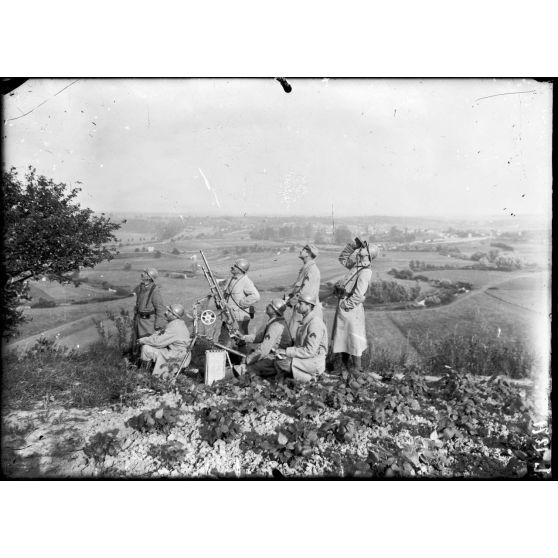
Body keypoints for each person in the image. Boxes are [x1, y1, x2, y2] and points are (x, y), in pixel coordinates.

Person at [331, 239, 379, 373]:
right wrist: (352, 246)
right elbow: (343, 258)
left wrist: (346, 305)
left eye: (365, 248)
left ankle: (357, 368)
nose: (362, 248)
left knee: (353, 338)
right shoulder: (357, 265)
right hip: (345, 305)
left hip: (351, 308)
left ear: (369, 254)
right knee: (343, 337)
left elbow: (358, 294)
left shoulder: (365, 271)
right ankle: (343, 368)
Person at [274, 294, 328, 383]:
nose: (297, 305)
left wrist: (286, 351)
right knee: (278, 359)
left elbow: (310, 351)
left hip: (314, 361)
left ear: (309, 306)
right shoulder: (306, 320)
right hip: (306, 358)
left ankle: (309, 378)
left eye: (300, 303)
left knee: (282, 362)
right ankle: (289, 378)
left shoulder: (314, 324)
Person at [237, 298, 292, 378]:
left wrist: (247, 359)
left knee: (245, 369)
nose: (267, 306)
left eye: (270, 306)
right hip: (273, 356)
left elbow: (264, 350)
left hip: (274, 360)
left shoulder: (275, 326)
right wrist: (243, 337)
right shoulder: (274, 322)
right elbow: (260, 337)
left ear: (274, 311)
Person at [138, 303, 190, 377]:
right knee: (149, 346)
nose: (165, 313)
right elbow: (159, 335)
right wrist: (148, 339)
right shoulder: (177, 324)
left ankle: (144, 374)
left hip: (176, 356)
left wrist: (142, 340)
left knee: (146, 349)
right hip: (177, 353)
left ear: (174, 315)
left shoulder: (175, 327)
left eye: (169, 311)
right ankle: (148, 372)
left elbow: (158, 342)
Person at [218, 258, 260, 344]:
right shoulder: (231, 279)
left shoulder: (246, 281)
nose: (232, 267)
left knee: (239, 342)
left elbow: (256, 296)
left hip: (239, 318)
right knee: (224, 341)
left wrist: (242, 303)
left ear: (240, 270)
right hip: (229, 316)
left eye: (235, 266)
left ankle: (240, 357)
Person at [286, 243, 322, 339]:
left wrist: (291, 301)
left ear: (308, 253)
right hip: (301, 308)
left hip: (304, 309)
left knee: (295, 339)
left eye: (303, 250)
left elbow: (306, 293)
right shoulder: (307, 268)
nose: (300, 251)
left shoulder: (312, 270)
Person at [129, 268, 166, 361]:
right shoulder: (140, 287)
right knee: (136, 341)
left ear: (150, 277)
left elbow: (160, 308)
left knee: (147, 341)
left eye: (145, 273)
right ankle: (136, 361)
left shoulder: (155, 290)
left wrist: (158, 325)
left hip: (149, 322)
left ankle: (147, 363)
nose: (142, 274)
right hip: (139, 319)